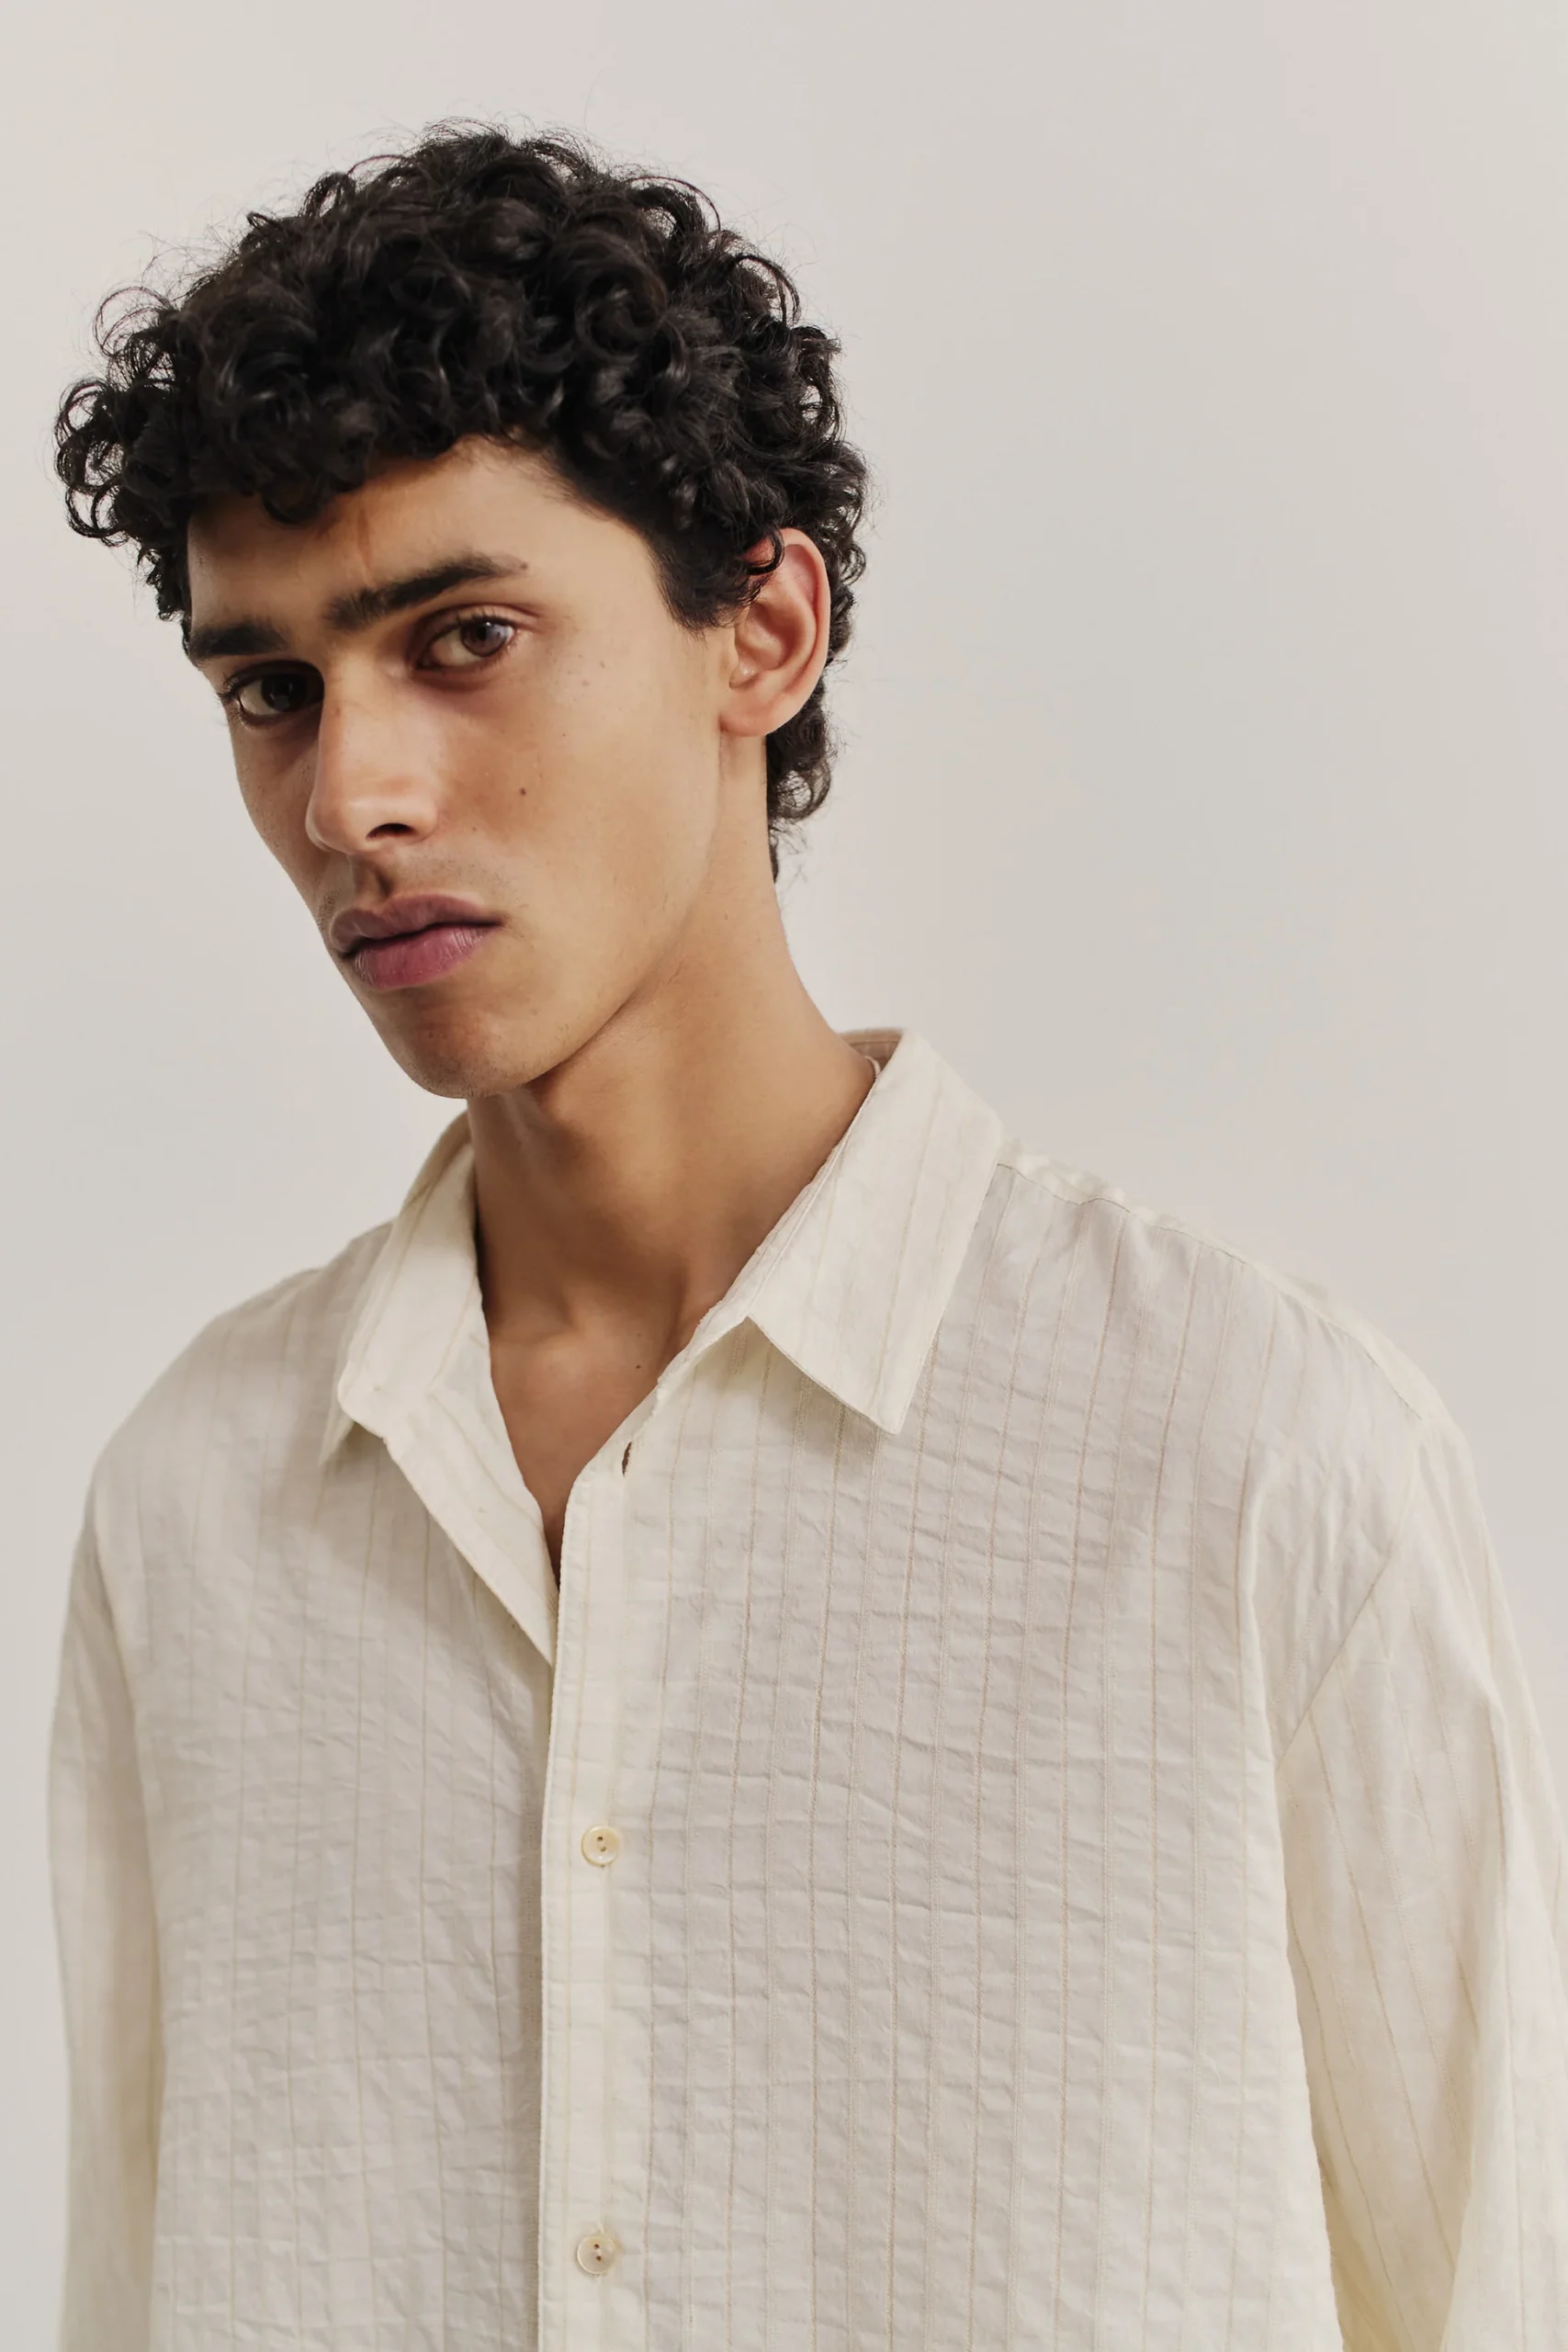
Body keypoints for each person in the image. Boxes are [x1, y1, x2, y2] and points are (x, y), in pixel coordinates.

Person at [47, 123, 1567, 2352]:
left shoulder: (1253, 1456)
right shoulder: (196, 1504)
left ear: (760, 630)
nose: (351, 793)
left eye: (464, 639)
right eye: (269, 687)